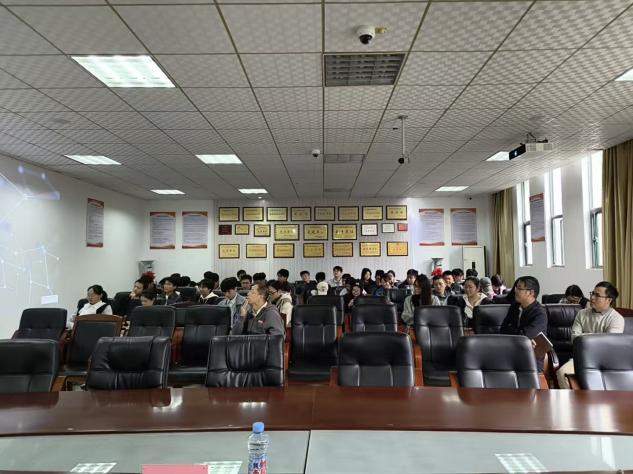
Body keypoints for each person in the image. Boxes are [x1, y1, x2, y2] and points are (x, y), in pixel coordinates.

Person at [556, 281, 625, 388]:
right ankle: (576, 399)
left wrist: (584, 336)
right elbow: (574, 339)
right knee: (562, 373)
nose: (592, 297)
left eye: (597, 295)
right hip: (581, 357)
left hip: (605, 361)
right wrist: (598, 337)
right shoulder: (582, 313)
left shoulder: (616, 319)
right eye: (592, 293)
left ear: (609, 300)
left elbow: (609, 345)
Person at [500, 276, 548, 371]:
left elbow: (525, 337)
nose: (515, 291)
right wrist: (519, 333)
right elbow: (503, 330)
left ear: (531, 292)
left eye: (519, 288)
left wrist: (512, 331)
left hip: (531, 358)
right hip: (510, 352)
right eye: (516, 288)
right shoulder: (514, 307)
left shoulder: (539, 313)